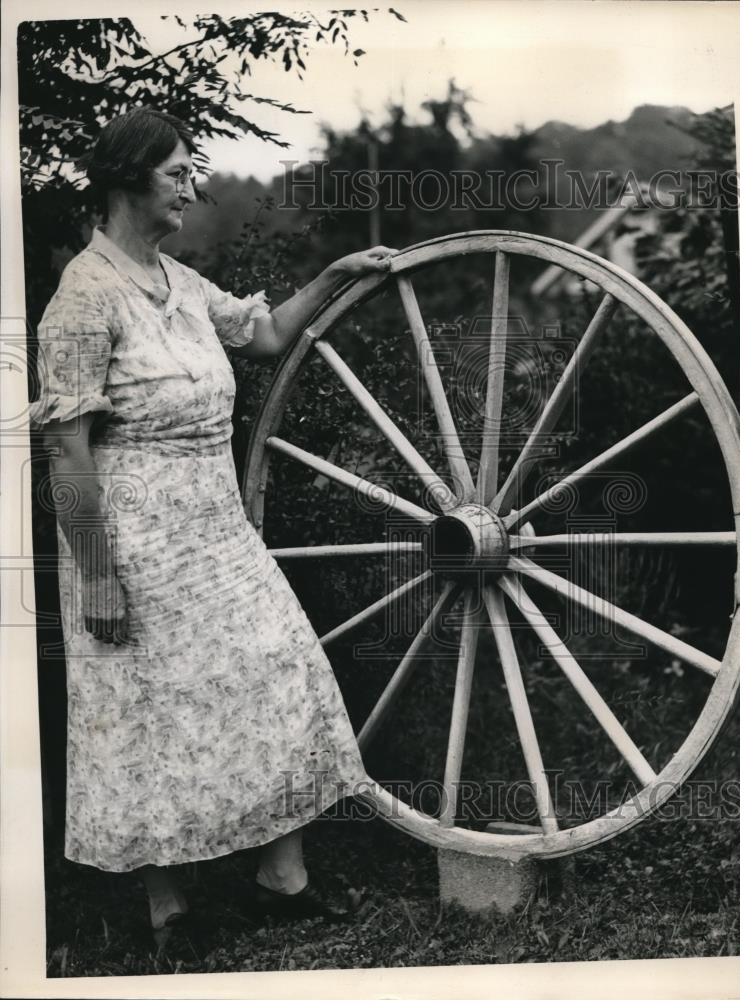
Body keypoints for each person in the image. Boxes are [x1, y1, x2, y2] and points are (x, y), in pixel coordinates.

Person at [31, 107, 396, 944]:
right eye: (177, 173)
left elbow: (263, 334)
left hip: (217, 528)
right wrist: (96, 573)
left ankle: (282, 878)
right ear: (128, 181)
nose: (191, 187)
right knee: (151, 707)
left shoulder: (179, 282)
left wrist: (335, 272)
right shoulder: (83, 298)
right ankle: (170, 911)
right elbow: (67, 448)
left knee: (278, 667)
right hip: (133, 536)